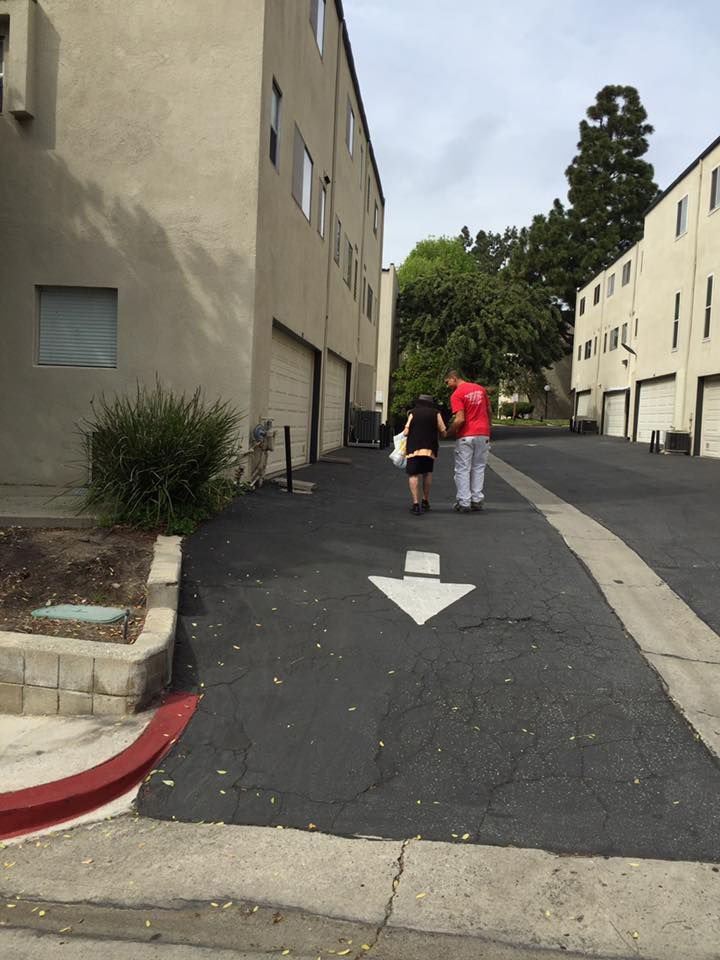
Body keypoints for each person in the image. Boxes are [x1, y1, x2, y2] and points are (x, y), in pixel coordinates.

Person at [444, 369, 491, 514]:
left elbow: (460, 419)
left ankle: (464, 501)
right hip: (483, 433)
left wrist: (448, 432)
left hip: (466, 435)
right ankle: (476, 499)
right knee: (478, 466)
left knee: (463, 468)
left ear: (453, 378)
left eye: (447, 381)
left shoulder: (457, 394)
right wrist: (489, 426)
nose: (447, 385)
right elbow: (489, 410)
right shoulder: (480, 389)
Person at [403, 394, 447, 516]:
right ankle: (425, 500)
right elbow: (443, 432)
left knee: (413, 475)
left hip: (414, 448)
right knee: (427, 473)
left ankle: (415, 504)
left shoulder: (412, 413)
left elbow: (406, 432)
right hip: (429, 449)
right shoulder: (436, 413)